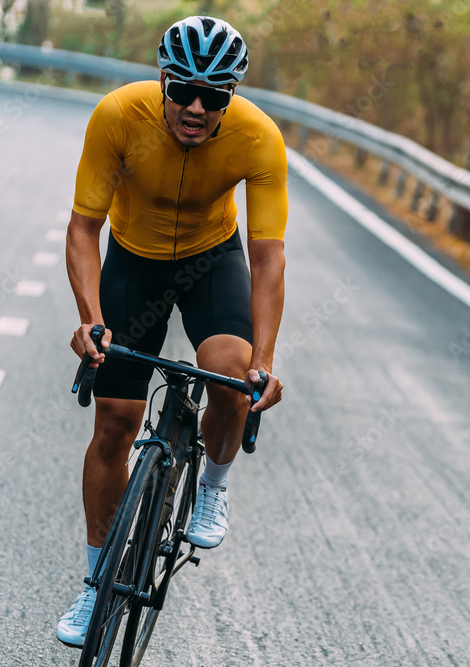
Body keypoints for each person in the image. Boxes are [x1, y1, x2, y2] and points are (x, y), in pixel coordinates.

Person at [55, 16, 287, 648]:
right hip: (134, 264)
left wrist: (264, 360)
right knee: (114, 424)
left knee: (233, 376)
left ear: (230, 97)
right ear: (162, 78)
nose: (194, 107)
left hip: (213, 263)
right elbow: (83, 229)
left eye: (214, 96)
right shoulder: (118, 115)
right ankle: (94, 582)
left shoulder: (258, 137)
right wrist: (91, 319)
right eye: (182, 88)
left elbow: (267, 257)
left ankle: (213, 483)